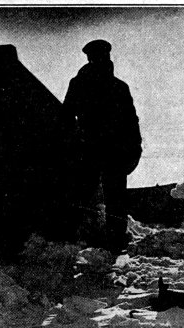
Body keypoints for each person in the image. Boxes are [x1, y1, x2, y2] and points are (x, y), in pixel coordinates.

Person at [63, 39, 142, 253]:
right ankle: (100, 240)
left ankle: (103, 241)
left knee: (103, 198)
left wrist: (135, 147)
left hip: (104, 152)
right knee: (99, 197)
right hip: (98, 151)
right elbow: (67, 118)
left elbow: (131, 122)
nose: (101, 60)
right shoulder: (109, 86)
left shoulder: (108, 86)